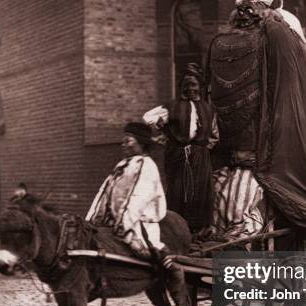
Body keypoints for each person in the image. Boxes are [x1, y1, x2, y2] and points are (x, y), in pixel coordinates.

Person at [206, 0, 306, 250]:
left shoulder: (273, 31)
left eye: (252, 11)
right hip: (245, 153)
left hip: (254, 150)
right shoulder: (273, 33)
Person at [143, 63, 219, 233]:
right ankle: (176, 229)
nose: (190, 88)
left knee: (200, 192)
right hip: (178, 155)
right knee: (179, 191)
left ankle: (198, 232)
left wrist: (202, 148)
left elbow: (214, 134)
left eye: (193, 84)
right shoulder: (172, 106)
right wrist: (163, 129)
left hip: (200, 157)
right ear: (181, 87)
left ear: (200, 86)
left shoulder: (208, 109)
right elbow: (148, 117)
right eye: (186, 85)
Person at [86, 122, 170, 263]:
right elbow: (103, 193)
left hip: (137, 224)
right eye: (123, 140)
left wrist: (122, 226)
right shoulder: (123, 165)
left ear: (142, 143)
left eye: (128, 140)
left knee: (150, 255)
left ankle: (171, 275)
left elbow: (137, 199)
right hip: (114, 224)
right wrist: (91, 220)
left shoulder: (146, 166)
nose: (123, 144)